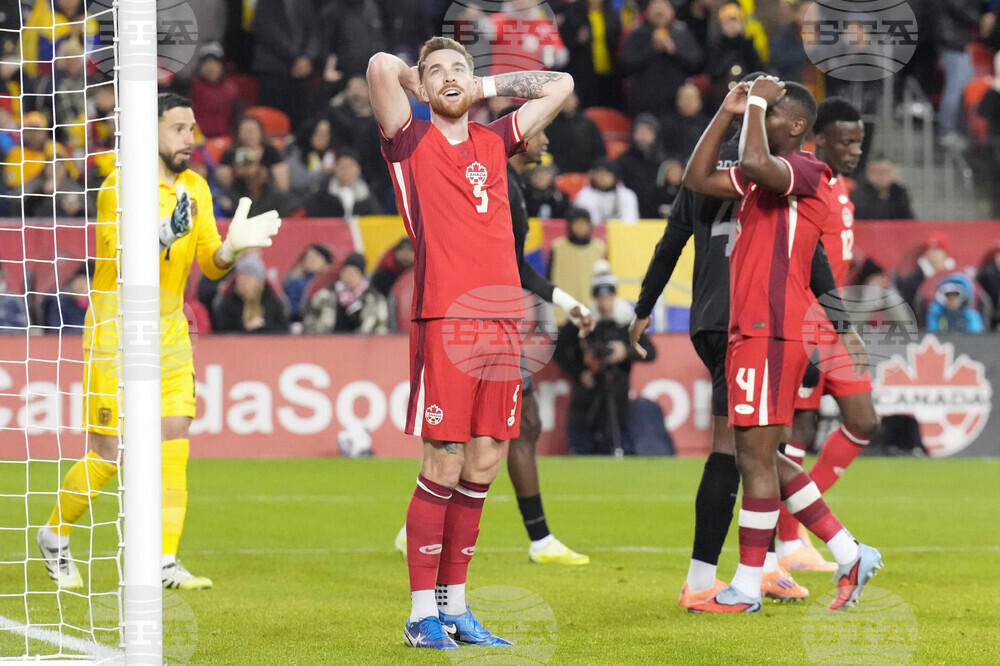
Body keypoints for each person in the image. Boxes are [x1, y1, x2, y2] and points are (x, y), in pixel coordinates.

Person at [367, 36, 573, 649]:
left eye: (461, 66)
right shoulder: (408, 140)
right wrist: (425, 85)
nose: (451, 76)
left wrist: (477, 86)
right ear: (422, 88)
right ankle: (417, 614)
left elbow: (560, 84)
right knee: (445, 461)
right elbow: (379, 67)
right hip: (445, 320)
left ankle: (454, 606)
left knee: (484, 463)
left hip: (503, 321)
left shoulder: (494, 141)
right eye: (437, 72)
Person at [36, 93, 282, 591]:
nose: (189, 139)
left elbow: (211, 261)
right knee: (109, 451)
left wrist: (232, 247)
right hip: (116, 327)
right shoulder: (118, 186)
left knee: (174, 435)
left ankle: (165, 560)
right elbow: (120, 258)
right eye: (178, 128)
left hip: (169, 326)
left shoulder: (197, 187)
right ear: (151, 132)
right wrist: (165, 233)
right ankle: (53, 534)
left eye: (192, 129)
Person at [630, 72, 834, 609]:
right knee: (743, 449)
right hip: (746, 323)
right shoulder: (761, 174)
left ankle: (771, 562)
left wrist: (645, 307)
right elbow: (813, 258)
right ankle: (712, 578)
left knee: (758, 448)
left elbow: (668, 245)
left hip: (727, 321)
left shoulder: (765, 176)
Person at [680, 76, 882, 613]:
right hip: (756, 329)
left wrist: (759, 104)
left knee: (754, 455)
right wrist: (728, 110)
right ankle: (848, 551)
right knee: (762, 452)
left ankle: (747, 586)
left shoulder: (806, 171)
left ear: (794, 126)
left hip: (772, 329)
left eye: (770, 115)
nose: (760, 119)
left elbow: (752, 163)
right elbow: (696, 177)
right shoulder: (767, 182)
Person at [394, 119, 595, 565]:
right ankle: (538, 538)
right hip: (479, 320)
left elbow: (513, 263)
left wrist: (564, 301)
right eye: (540, 131)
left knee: (486, 435)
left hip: (499, 318)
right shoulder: (498, 183)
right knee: (500, 432)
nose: (545, 139)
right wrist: (565, 300)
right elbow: (510, 265)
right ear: (521, 140)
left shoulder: (509, 185)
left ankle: (430, 529)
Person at [776, 98, 881, 572]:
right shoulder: (807, 183)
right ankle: (789, 542)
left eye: (859, 140)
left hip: (836, 325)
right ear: (820, 140)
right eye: (846, 141)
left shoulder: (841, 189)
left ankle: (798, 514)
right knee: (797, 430)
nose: (856, 149)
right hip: (806, 323)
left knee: (864, 421)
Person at [557, 272, 656, 455]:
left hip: (617, 394)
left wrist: (625, 352)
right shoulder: (584, 320)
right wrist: (580, 372)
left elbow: (650, 352)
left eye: (608, 298)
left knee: (616, 440)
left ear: (614, 297)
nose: (604, 304)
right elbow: (558, 350)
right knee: (582, 445)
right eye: (600, 298)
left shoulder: (626, 320)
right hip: (587, 393)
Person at [620, 0, 703, 115]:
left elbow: (696, 63)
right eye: (655, 6)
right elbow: (627, 63)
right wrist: (652, 48)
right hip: (645, 108)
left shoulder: (682, 34)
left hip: (678, 108)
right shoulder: (637, 34)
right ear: (647, 12)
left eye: (663, 6)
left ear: (672, 12)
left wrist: (673, 50)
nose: (659, 10)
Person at [302, 252, 389, 334]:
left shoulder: (374, 299)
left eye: (354, 273)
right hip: (329, 344)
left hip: (362, 346)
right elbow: (310, 320)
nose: (349, 277)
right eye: (346, 272)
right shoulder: (325, 296)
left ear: (361, 276)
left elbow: (379, 326)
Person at [548, 207, 607, 325]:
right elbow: (549, 276)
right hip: (563, 310)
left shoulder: (599, 248)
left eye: (584, 224)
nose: (580, 227)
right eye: (577, 223)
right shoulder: (558, 247)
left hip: (591, 308)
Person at [213, 252, 290, 334]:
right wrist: (245, 329)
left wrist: (263, 327)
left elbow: (284, 331)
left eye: (248, 278)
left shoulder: (273, 302)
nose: (242, 282)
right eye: (240, 277)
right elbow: (220, 333)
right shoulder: (228, 305)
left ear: (258, 281)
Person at [573, 157, 640, 223]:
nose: (602, 178)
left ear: (614, 176)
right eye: (599, 174)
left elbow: (631, 221)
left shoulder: (627, 195)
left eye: (606, 174)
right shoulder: (584, 196)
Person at [850, 157, 915, 220]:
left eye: (885, 172)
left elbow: (908, 219)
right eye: (876, 172)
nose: (881, 177)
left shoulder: (900, 194)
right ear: (868, 174)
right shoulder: (859, 195)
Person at [284, 243, 334, 322]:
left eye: (316, 257)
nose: (310, 260)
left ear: (326, 263)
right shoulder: (295, 282)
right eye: (308, 257)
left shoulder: (331, 284)